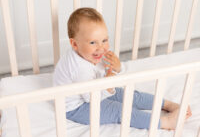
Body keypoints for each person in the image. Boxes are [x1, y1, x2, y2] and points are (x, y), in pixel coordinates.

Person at [53, 7, 192, 130]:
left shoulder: (89, 52)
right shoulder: (79, 68)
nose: (101, 47)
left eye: (104, 40)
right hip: (77, 108)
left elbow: (105, 72)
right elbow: (91, 98)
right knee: (118, 110)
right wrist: (108, 83)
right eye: (92, 42)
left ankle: (166, 104)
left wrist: (116, 67)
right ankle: (164, 122)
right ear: (74, 44)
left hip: (94, 91)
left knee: (128, 94)